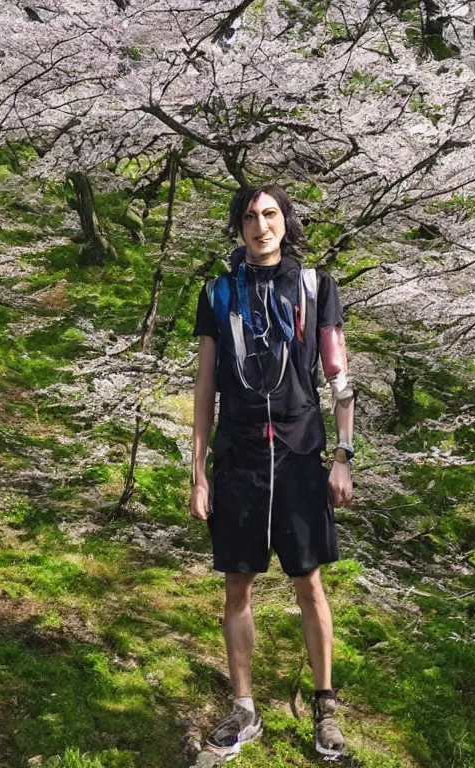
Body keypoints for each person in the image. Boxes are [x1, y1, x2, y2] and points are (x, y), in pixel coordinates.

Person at [189, 184, 355, 761]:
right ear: (238, 227)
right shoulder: (217, 294)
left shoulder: (315, 287)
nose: (261, 226)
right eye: (251, 217)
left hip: (300, 455)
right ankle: (244, 708)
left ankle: (325, 706)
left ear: (285, 222)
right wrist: (199, 471)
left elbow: (338, 376)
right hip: (238, 458)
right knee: (238, 585)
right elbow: (205, 385)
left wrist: (343, 455)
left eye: (271, 215)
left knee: (309, 583)